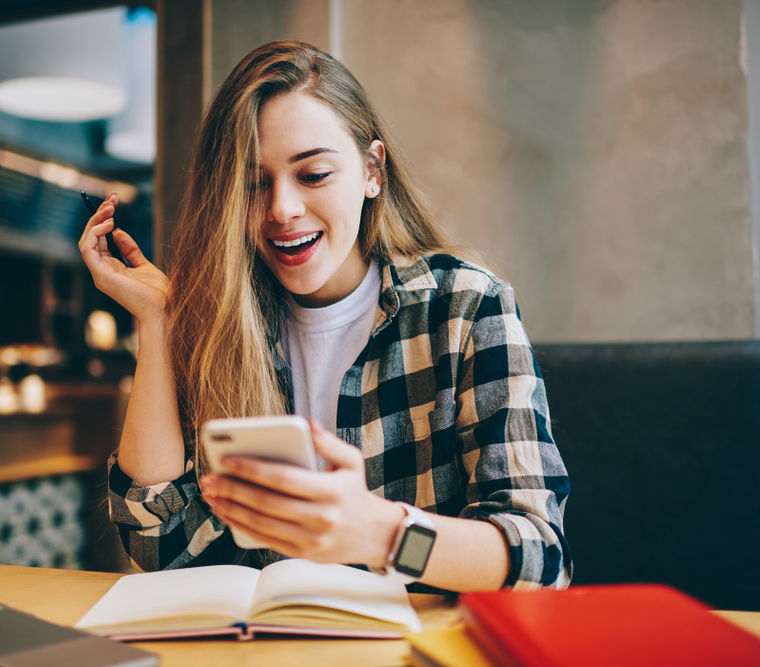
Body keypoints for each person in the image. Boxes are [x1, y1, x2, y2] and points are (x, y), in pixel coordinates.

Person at [79, 40, 571, 592]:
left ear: (372, 172)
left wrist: (383, 536)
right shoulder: (219, 325)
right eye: (253, 183)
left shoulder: (463, 308)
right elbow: (158, 544)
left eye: (312, 175)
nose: (281, 210)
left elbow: (538, 559)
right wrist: (158, 322)